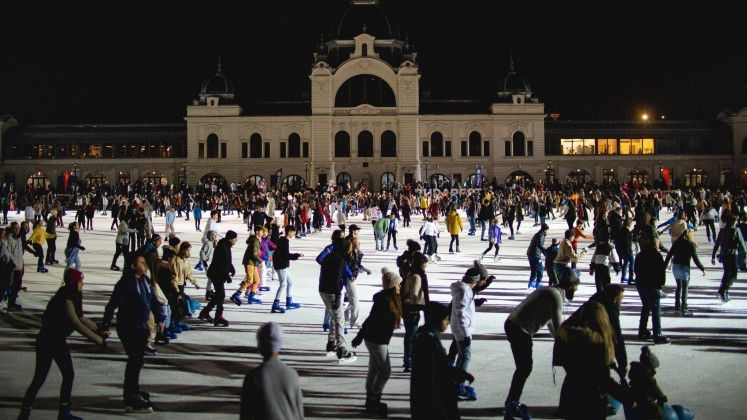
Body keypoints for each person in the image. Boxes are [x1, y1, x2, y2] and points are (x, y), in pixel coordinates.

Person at [18, 269, 109, 420]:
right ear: (74, 282)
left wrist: (99, 330)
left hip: (57, 339)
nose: (83, 283)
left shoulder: (73, 294)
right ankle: (28, 412)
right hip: (48, 340)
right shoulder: (66, 297)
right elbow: (76, 323)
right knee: (41, 377)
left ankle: (63, 412)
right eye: (81, 281)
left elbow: (81, 318)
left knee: (67, 374)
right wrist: (98, 340)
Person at [503, 271, 580, 419]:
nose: (576, 290)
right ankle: (511, 403)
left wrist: (559, 342)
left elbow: (551, 323)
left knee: (524, 367)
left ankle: (511, 402)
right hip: (519, 329)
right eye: (576, 287)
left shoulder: (551, 291)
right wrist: (567, 345)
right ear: (570, 286)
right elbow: (558, 325)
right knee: (524, 367)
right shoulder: (555, 296)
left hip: (514, 325)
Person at [101, 255, 165, 413]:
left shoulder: (145, 281)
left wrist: (160, 318)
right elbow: (112, 305)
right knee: (135, 360)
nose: (145, 265)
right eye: (141, 263)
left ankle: (133, 392)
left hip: (142, 327)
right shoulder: (125, 283)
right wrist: (105, 325)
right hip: (128, 327)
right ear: (132, 266)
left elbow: (153, 301)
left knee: (137, 361)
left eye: (145, 262)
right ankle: (131, 396)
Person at [554, 300, 631, 419]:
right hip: (591, 400)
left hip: (571, 393)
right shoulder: (596, 343)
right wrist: (627, 398)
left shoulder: (566, 334)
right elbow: (603, 379)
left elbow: (563, 361)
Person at [351, 267, 403, 417]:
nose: (400, 287)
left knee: (374, 369)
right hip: (376, 340)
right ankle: (373, 399)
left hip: (376, 339)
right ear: (394, 286)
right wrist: (360, 336)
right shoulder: (385, 301)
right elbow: (371, 320)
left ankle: (370, 400)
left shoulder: (391, 299)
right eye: (398, 284)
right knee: (385, 371)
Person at [410, 302, 474, 420]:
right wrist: (439, 409)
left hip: (438, 398)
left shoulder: (428, 336)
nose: (448, 322)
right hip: (433, 402)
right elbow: (428, 377)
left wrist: (461, 374)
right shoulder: (426, 341)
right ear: (437, 320)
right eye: (446, 319)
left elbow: (440, 366)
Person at [240, 322, 304, 420]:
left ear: (260, 344)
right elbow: (299, 413)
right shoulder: (292, 374)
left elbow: (246, 414)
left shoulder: (253, 377)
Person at [450, 260, 491, 401]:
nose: (484, 283)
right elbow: (460, 311)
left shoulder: (465, 290)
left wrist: (475, 302)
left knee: (462, 356)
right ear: (477, 279)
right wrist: (466, 333)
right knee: (465, 357)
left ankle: (457, 384)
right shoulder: (464, 291)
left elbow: (463, 306)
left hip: (460, 328)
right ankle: (458, 386)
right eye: (483, 280)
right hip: (462, 330)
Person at [629, 346, 694, 420]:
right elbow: (654, 387)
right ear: (650, 365)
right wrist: (661, 396)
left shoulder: (637, 370)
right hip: (643, 399)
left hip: (637, 396)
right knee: (657, 411)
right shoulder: (646, 375)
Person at [318, 234, 356, 362]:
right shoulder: (339, 259)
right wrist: (338, 296)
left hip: (323, 290)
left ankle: (331, 344)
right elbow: (336, 279)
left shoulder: (329, 257)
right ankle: (341, 348)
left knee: (335, 316)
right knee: (339, 319)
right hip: (332, 292)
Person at [397, 239, 429, 372]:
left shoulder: (411, 272)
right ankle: (409, 360)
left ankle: (409, 359)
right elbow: (414, 295)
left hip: (409, 308)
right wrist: (424, 306)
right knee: (411, 334)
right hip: (411, 308)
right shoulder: (416, 276)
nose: (426, 266)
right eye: (425, 263)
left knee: (411, 334)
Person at [635, 230, 670, 344]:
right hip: (652, 285)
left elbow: (636, 270)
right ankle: (657, 334)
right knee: (655, 309)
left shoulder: (641, 254)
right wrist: (660, 284)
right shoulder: (656, 255)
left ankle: (642, 330)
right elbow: (661, 271)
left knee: (646, 306)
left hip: (641, 283)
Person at [199, 230, 237, 327]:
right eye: (235, 239)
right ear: (230, 239)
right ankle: (218, 316)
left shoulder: (225, 245)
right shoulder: (223, 247)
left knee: (218, 295)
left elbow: (227, 261)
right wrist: (227, 276)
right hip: (217, 274)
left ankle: (205, 312)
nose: (236, 241)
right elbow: (221, 264)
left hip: (218, 273)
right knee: (221, 295)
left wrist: (231, 268)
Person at [664, 229, 705, 316]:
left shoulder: (676, 243)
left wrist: (664, 266)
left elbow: (669, 255)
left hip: (675, 267)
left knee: (679, 286)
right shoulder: (690, 245)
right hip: (684, 267)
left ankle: (677, 306)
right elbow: (695, 259)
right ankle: (684, 307)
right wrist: (702, 268)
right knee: (685, 288)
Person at [712, 213, 746, 303]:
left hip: (724, 255)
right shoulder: (736, 230)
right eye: (735, 221)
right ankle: (722, 290)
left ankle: (724, 291)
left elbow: (717, 244)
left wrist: (713, 256)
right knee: (733, 274)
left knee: (727, 273)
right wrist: (745, 254)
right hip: (733, 254)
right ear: (733, 222)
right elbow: (742, 243)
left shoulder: (722, 230)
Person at [271, 225, 303, 313]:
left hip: (282, 265)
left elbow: (284, 254)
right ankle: (275, 304)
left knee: (290, 281)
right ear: (289, 232)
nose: (293, 233)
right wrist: (297, 255)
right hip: (280, 265)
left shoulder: (284, 240)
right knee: (283, 284)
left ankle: (289, 301)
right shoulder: (284, 241)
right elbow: (285, 255)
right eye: (293, 232)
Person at [526, 223, 549, 288]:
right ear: (545, 230)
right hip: (535, 254)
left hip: (530, 253)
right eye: (547, 230)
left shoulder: (537, 234)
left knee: (534, 268)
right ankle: (538, 283)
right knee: (540, 268)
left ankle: (531, 282)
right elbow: (540, 245)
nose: (547, 232)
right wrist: (545, 253)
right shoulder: (541, 235)